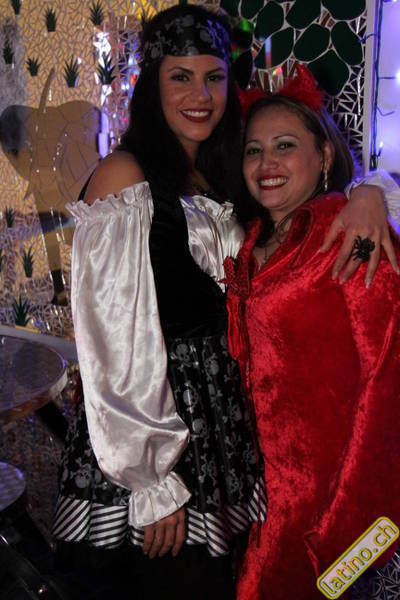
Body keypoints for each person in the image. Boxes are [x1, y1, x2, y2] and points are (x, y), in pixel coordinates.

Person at [52, 5, 399, 599]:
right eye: (180, 77)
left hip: (233, 462)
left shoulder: (226, 186)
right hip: (153, 455)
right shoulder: (125, 175)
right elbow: (111, 344)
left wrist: (370, 190)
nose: (200, 94)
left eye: (213, 77)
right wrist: (150, 480)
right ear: (152, 86)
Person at [224, 65, 400, 600]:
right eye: (254, 151)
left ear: (324, 156)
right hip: (259, 505)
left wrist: (347, 527)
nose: (267, 164)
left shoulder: (349, 230)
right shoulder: (247, 242)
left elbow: (389, 371)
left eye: (285, 146)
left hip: (331, 514)